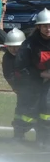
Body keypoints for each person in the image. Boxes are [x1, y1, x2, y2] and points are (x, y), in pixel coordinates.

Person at [2, 29, 38, 141]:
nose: (13, 49)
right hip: (22, 90)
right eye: (10, 46)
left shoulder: (30, 54)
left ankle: (41, 138)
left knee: (37, 113)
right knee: (20, 112)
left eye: (17, 46)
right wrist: (17, 88)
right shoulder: (7, 58)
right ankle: (18, 135)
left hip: (36, 90)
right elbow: (8, 75)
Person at [24, 10, 50, 147]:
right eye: (45, 26)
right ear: (38, 27)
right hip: (35, 82)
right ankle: (41, 139)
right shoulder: (30, 44)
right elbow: (23, 66)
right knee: (43, 110)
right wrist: (40, 75)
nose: (48, 29)